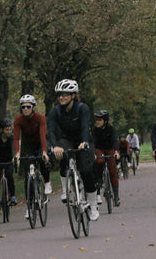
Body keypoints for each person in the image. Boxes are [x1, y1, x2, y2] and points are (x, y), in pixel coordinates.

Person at [47, 79, 100, 221]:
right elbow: (51, 131)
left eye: (65, 94)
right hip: (66, 140)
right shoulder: (55, 111)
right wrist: (54, 146)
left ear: (73, 95)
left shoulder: (82, 108)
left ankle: (93, 205)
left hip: (83, 140)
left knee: (86, 171)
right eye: (59, 95)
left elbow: (84, 126)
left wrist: (83, 142)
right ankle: (65, 190)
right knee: (61, 153)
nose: (61, 97)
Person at [13, 94, 51, 219]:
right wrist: (17, 153)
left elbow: (42, 135)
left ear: (33, 107)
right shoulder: (19, 120)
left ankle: (47, 182)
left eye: (28, 106)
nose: (25, 109)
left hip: (40, 143)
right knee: (28, 178)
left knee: (43, 159)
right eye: (23, 107)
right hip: (27, 146)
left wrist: (44, 151)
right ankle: (29, 208)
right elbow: (16, 137)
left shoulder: (40, 117)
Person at [92, 110, 121, 207]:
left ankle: (116, 197)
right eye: (96, 120)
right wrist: (93, 153)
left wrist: (116, 152)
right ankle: (99, 182)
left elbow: (115, 141)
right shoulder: (95, 130)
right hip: (99, 149)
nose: (97, 122)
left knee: (113, 171)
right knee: (100, 161)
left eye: (99, 120)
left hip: (110, 149)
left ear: (105, 121)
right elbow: (92, 143)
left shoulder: (111, 129)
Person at [0, 118, 17, 210]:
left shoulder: (12, 137)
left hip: (9, 161)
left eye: (10, 129)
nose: (9, 131)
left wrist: (14, 157)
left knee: (9, 176)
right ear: (2, 130)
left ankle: (12, 196)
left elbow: (13, 148)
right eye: (7, 129)